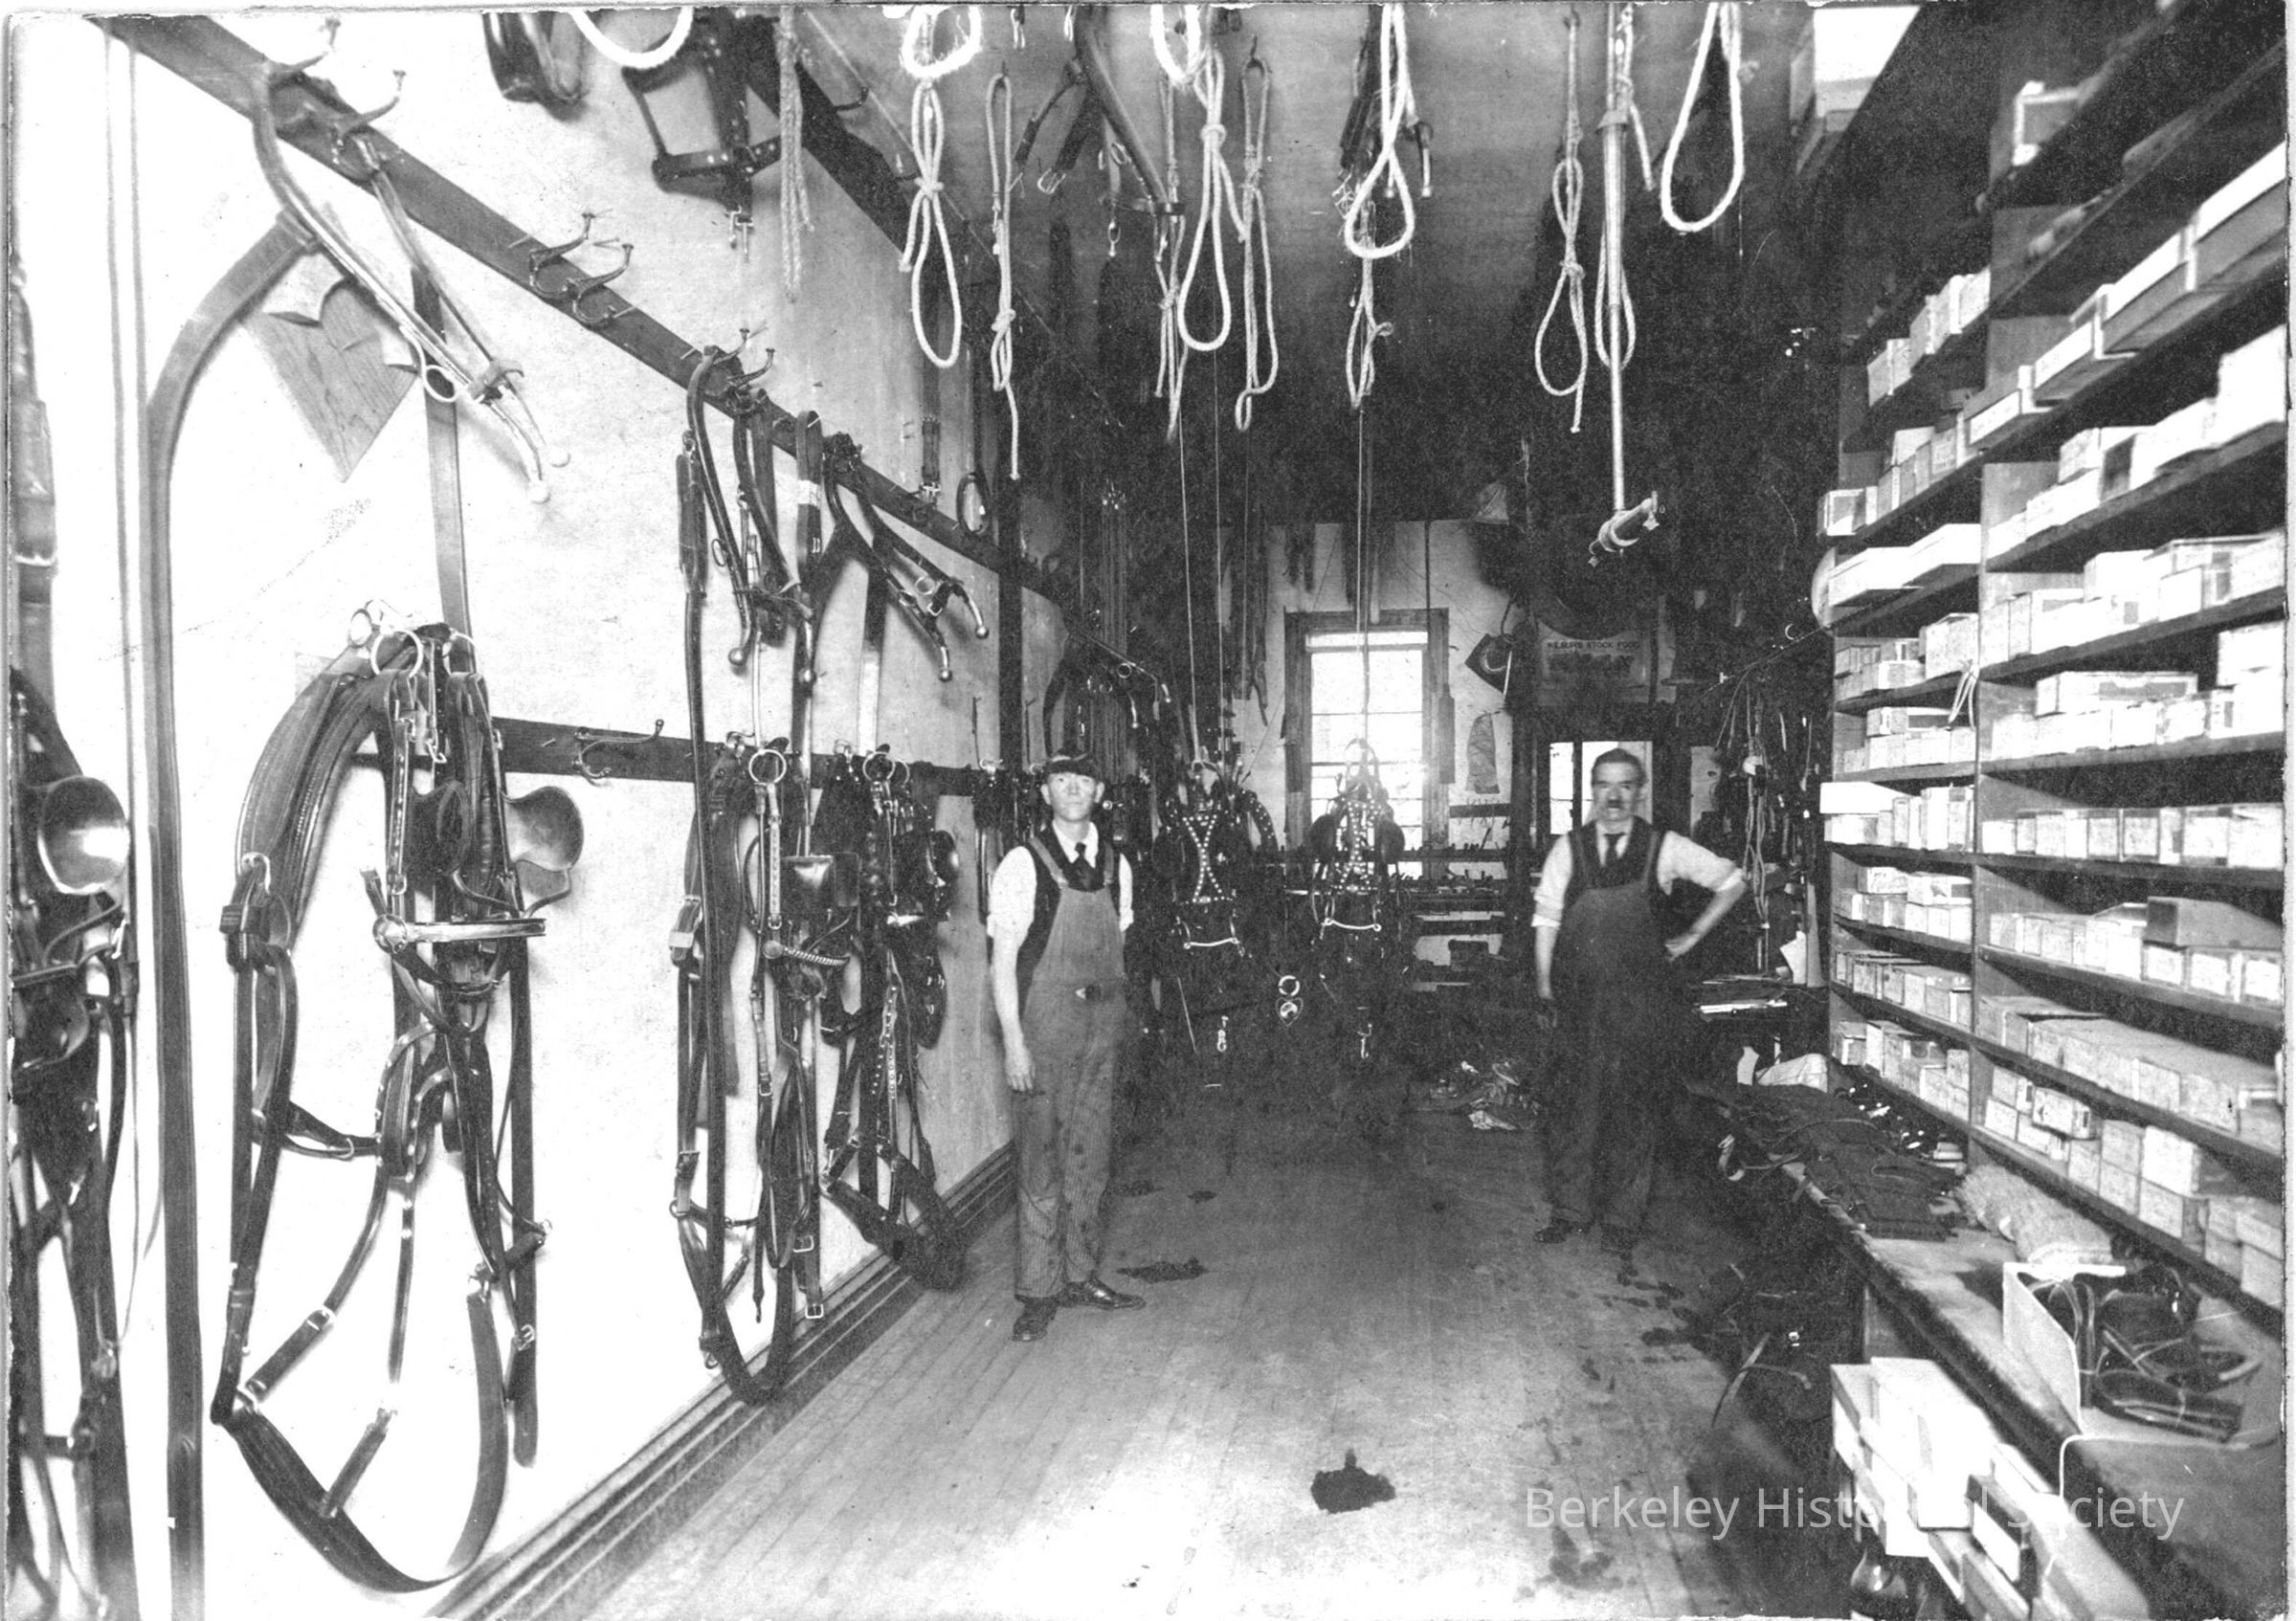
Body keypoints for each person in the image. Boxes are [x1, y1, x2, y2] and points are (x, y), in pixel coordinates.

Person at [1530, 748, 1748, 1252]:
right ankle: (1570, 1212)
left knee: (1633, 1110)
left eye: (1625, 785)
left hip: (1642, 1004)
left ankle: (1621, 1222)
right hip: (1580, 1000)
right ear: (1592, 790)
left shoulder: (1664, 847)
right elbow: (1547, 918)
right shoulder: (1568, 848)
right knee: (1574, 1108)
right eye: (1604, 785)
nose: (1613, 796)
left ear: (1640, 791)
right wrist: (1544, 983)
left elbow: (1733, 882)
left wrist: (1692, 935)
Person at [988, 751, 1147, 1343]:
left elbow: (1119, 946)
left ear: (1099, 791)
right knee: (1040, 1158)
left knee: (1091, 1155)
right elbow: (1002, 963)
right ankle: (1039, 1290)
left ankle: (1080, 1276)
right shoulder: (1022, 863)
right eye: (1061, 780)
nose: (1073, 789)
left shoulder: (1116, 863)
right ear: (1046, 792)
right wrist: (1014, 1042)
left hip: (1104, 1023)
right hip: (1046, 1023)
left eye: (1084, 780)